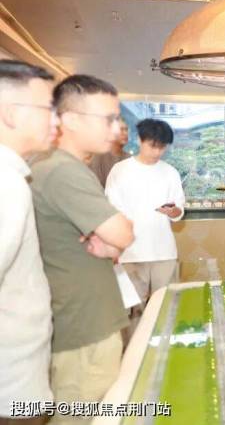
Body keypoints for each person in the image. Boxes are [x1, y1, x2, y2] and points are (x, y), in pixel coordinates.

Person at [31, 75, 134, 424]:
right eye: (108, 119)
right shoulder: (62, 170)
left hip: (86, 319)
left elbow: (114, 240)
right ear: (72, 119)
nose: (116, 129)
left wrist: (112, 241)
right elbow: (122, 233)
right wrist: (116, 236)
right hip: (82, 329)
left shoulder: (67, 167)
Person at [0, 60, 57, 424]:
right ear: (10, 113)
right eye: (47, 109)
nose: (56, 121)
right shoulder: (6, 183)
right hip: (11, 385)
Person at [105, 119, 185, 334]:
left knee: (167, 307)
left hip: (164, 252)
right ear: (140, 140)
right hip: (130, 252)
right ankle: (134, 351)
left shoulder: (170, 172)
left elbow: (179, 210)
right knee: (133, 312)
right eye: (153, 146)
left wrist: (174, 211)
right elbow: (111, 210)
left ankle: (164, 348)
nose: (157, 152)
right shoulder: (120, 170)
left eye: (162, 147)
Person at [88, 118, 130, 187]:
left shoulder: (129, 158)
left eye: (126, 130)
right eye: (121, 130)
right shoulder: (98, 155)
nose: (125, 133)